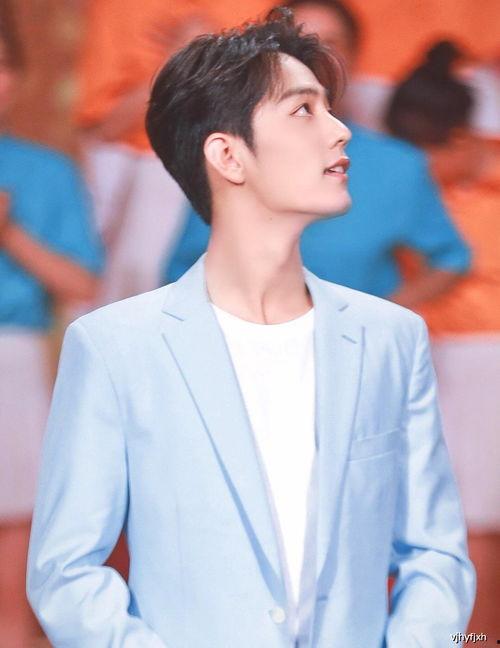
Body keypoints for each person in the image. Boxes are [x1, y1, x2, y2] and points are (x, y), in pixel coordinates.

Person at [27, 10, 475, 647]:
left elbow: (436, 553)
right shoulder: (116, 346)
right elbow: (65, 572)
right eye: (304, 110)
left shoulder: (392, 338)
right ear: (228, 155)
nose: (341, 129)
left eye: (330, 107)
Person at [164, 0, 470, 312]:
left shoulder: (398, 166)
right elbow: (182, 272)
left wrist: (381, 315)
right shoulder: (231, 155)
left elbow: (452, 258)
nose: (311, 57)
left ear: (354, 57)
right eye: (293, 44)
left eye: (331, 44)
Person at [385, 41, 500, 622]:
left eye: (419, 159)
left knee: (472, 523)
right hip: (428, 361)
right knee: (438, 527)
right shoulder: (408, 186)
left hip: (482, 364)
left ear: (460, 142)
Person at [0, 4, 103, 645]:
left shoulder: (45, 171)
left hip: (11, 358)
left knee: (17, 516)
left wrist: (10, 233)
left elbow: (83, 284)